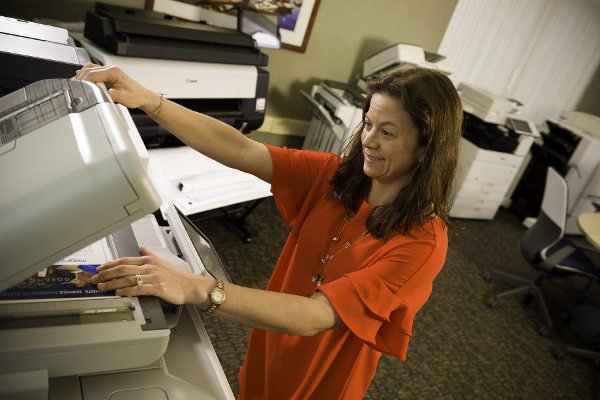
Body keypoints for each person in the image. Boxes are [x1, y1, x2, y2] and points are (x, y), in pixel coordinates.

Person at [77, 64, 463, 400]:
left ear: (427, 147)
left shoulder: (424, 243)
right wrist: (149, 100)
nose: (368, 140)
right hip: (268, 341)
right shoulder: (335, 176)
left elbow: (316, 314)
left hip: (319, 381)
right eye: (368, 123)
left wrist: (197, 287)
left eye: (388, 132)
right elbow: (240, 150)